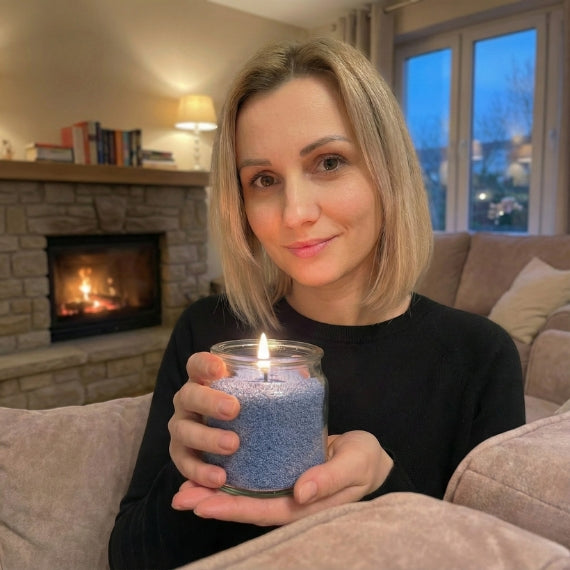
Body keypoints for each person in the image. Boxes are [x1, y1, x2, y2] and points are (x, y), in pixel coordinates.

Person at [109, 37, 525, 569]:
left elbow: (503, 558)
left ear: (386, 173)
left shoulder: (477, 357)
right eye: (264, 180)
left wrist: (381, 489)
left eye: (329, 162)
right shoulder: (208, 335)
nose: (295, 212)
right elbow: (128, 558)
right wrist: (193, 463)